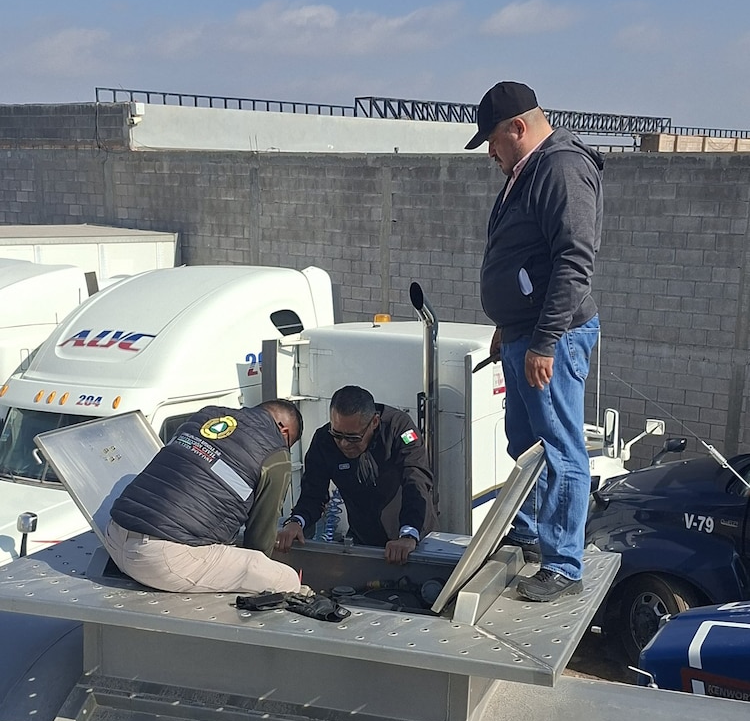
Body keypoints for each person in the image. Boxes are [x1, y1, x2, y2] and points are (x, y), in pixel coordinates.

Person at [465, 81, 603, 601]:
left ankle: (563, 565)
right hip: (525, 334)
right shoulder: (527, 170)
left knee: (561, 447)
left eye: (493, 141)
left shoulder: (561, 167)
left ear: (518, 128)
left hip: (553, 338)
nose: (491, 153)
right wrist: (507, 323)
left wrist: (544, 342)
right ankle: (529, 534)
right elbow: (527, 257)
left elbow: (574, 260)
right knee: (524, 443)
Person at [105, 399, 308, 594]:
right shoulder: (276, 454)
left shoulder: (207, 415)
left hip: (114, 537)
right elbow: (259, 538)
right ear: (284, 431)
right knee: (285, 580)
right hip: (160, 560)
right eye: (289, 444)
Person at [275, 385, 438, 566]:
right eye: (337, 434)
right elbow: (313, 493)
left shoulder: (399, 428)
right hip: (363, 537)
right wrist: (296, 521)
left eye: (353, 437)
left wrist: (409, 534)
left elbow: (416, 480)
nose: (344, 444)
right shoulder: (324, 440)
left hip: (412, 534)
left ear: (374, 422)